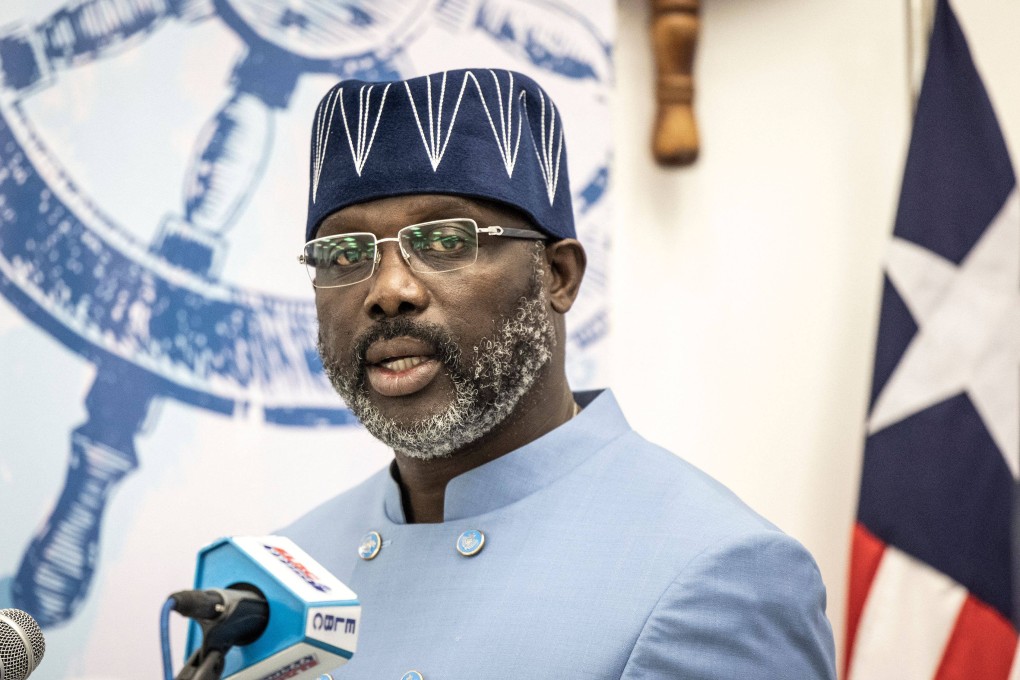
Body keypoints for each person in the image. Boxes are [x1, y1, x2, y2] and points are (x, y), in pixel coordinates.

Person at [283, 68, 836, 679]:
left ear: (559, 276)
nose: (388, 291)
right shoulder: (289, 569)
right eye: (343, 254)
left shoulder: (716, 572)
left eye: (444, 240)